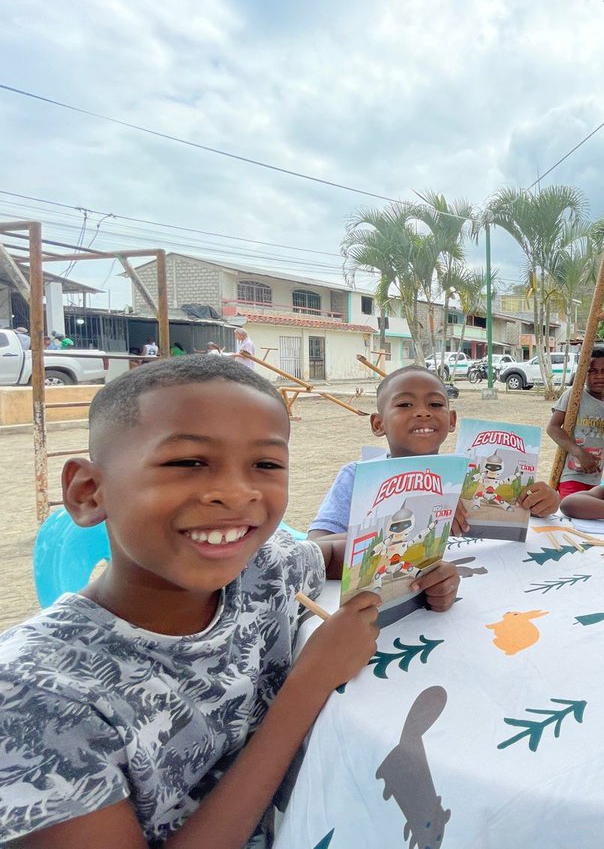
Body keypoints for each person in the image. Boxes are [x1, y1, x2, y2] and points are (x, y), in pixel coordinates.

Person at [0, 355, 462, 845]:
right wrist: (310, 682)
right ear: (90, 491)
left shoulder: (262, 568)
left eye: (265, 464)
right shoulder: (37, 697)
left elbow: (330, 555)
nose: (237, 493)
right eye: (187, 462)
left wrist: (416, 566)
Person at [308, 365, 559, 540]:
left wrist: (543, 502)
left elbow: (511, 515)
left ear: (451, 421)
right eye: (405, 404)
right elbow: (319, 543)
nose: (423, 412)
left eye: (435, 404)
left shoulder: (468, 475)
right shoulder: (356, 478)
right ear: (378, 424)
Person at [546, 348, 604, 498]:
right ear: (582, 375)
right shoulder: (574, 395)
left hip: (595, 478)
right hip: (571, 476)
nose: (599, 376)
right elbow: (552, 428)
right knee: (573, 514)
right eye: (592, 371)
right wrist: (579, 453)